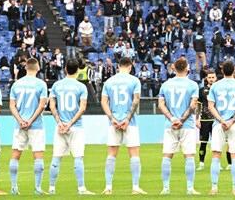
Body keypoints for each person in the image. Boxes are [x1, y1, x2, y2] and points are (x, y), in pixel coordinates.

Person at [100, 55, 146, 195]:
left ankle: (108, 187)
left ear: (118, 66)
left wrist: (112, 119)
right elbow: (136, 100)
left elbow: (103, 102)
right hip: (130, 122)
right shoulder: (134, 80)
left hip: (113, 122)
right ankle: (135, 187)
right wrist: (127, 119)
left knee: (111, 155)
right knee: (134, 154)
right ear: (130, 67)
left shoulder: (109, 81)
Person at [48, 58, 93, 195]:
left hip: (60, 126)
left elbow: (52, 106)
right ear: (78, 70)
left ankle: (51, 188)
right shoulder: (81, 87)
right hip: (76, 127)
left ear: (65, 69)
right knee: (78, 157)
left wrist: (60, 122)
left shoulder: (56, 85)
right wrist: (70, 124)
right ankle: (81, 188)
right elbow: (82, 108)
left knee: (56, 157)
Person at [159, 57, 200, 195]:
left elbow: (161, 105)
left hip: (169, 125)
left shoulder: (166, 85)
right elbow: (193, 105)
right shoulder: (193, 85)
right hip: (187, 125)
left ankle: (165, 188)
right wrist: (181, 120)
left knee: (167, 156)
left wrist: (172, 119)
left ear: (174, 68)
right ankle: (190, 188)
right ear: (187, 68)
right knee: (189, 156)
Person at [207, 60, 235, 196]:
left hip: (219, 124)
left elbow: (210, 106)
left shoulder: (215, 86)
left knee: (216, 155)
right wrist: (231, 120)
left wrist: (221, 120)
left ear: (222, 70)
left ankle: (214, 187)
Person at [9, 57, 49, 195]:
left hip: (19, 125)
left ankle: (14, 187)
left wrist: (21, 120)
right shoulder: (41, 84)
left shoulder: (16, 84)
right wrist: (31, 120)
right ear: (37, 67)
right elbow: (42, 105)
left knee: (15, 155)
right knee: (38, 155)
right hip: (36, 125)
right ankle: (37, 188)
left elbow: (12, 106)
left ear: (25, 67)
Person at [198, 69, 217, 169]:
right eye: (209, 77)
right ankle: (201, 163)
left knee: (217, 143)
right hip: (204, 120)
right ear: (206, 78)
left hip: (216, 120)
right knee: (203, 142)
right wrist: (197, 119)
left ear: (216, 78)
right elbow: (198, 105)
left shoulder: (219, 90)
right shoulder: (202, 90)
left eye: (213, 77)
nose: (211, 79)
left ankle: (215, 163)